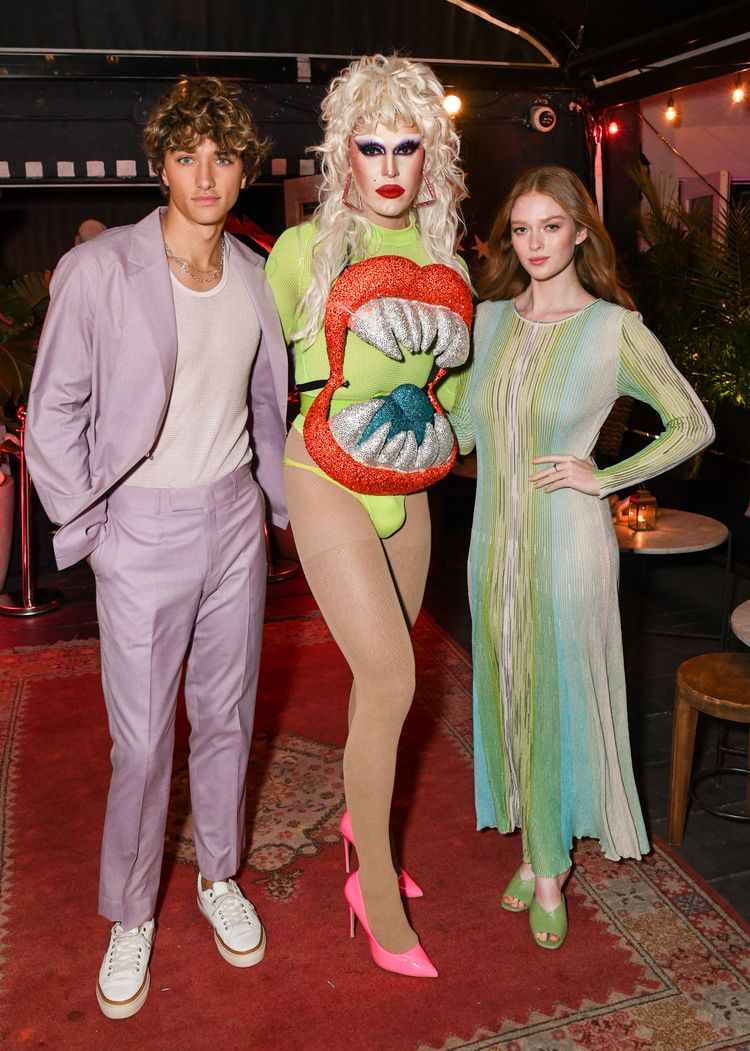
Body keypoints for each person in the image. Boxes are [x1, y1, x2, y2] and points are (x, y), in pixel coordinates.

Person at [25, 77, 289, 1017]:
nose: (205, 175)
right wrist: (94, 531)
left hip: (234, 522)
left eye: (223, 156)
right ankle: (131, 914)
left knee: (227, 719)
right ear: (161, 166)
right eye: (186, 156)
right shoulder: (100, 270)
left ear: (246, 169)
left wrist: (274, 507)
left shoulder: (256, 276)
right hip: (139, 529)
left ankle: (219, 875)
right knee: (141, 746)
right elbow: (53, 411)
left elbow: (267, 405)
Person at [449, 165, 714, 950]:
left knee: (558, 690)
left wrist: (603, 477)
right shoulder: (486, 321)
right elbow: (459, 429)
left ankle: (549, 864)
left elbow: (692, 424)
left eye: (551, 226)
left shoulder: (612, 329)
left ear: (580, 234)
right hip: (491, 546)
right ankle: (539, 840)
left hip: (569, 543)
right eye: (521, 229)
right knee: (512, 688)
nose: (535, 243)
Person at [265, 54, 471, 978]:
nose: (390, 166)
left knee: (377, 676)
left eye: (407, 146)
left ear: (433, 158)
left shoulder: (448, 260)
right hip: (322, 471)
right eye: (371, 146)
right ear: (342, 154)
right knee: (392, 677)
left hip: (409, 481)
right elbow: (256, 369)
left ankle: (361, 815)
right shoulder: (301, 252)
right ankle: (375, 890)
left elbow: (451, 386)